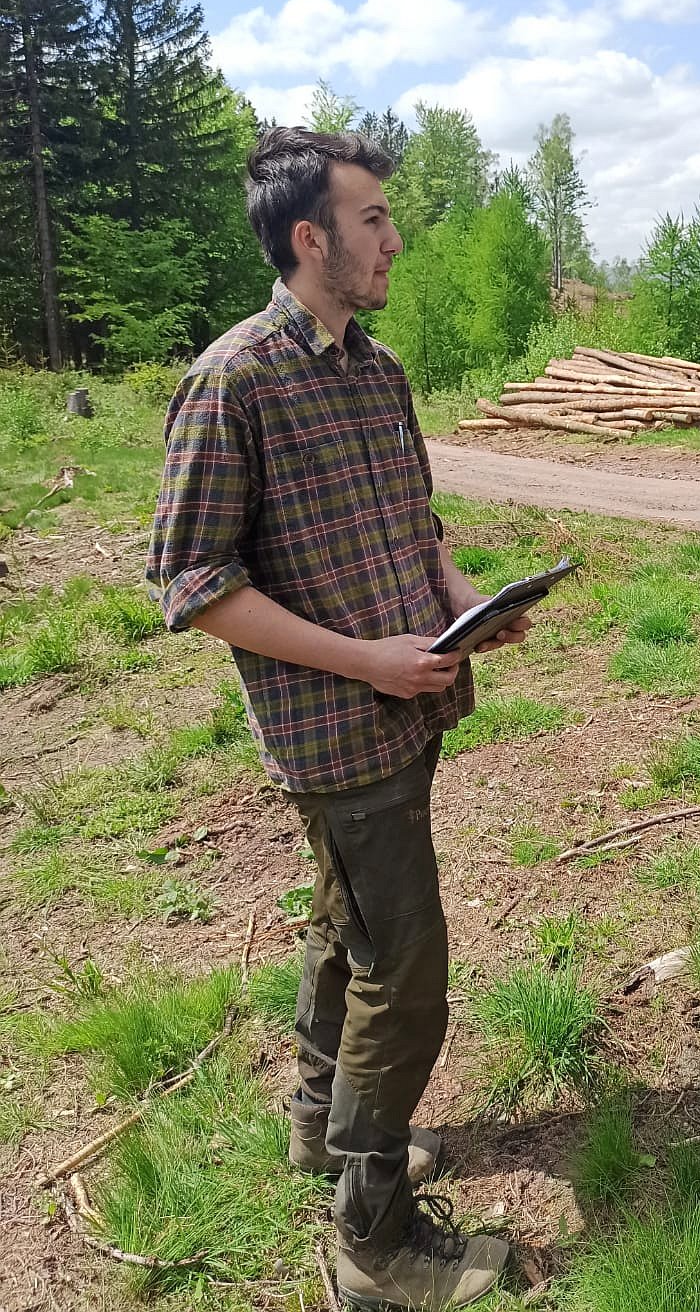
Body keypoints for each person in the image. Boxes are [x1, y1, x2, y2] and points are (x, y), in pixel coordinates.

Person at [147, 125, 526, 1310]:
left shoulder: (378, 368)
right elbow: (192, 582)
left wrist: (463, 599)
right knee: (403, 975)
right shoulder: (233, 380)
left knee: (346, 924)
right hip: (333, 735)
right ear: (310, 239)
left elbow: (414, 523)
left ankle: (319, 1125)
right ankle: (374, 1239)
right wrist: (365, 660)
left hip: (410, 710)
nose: (395, 240)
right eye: (374, 220)